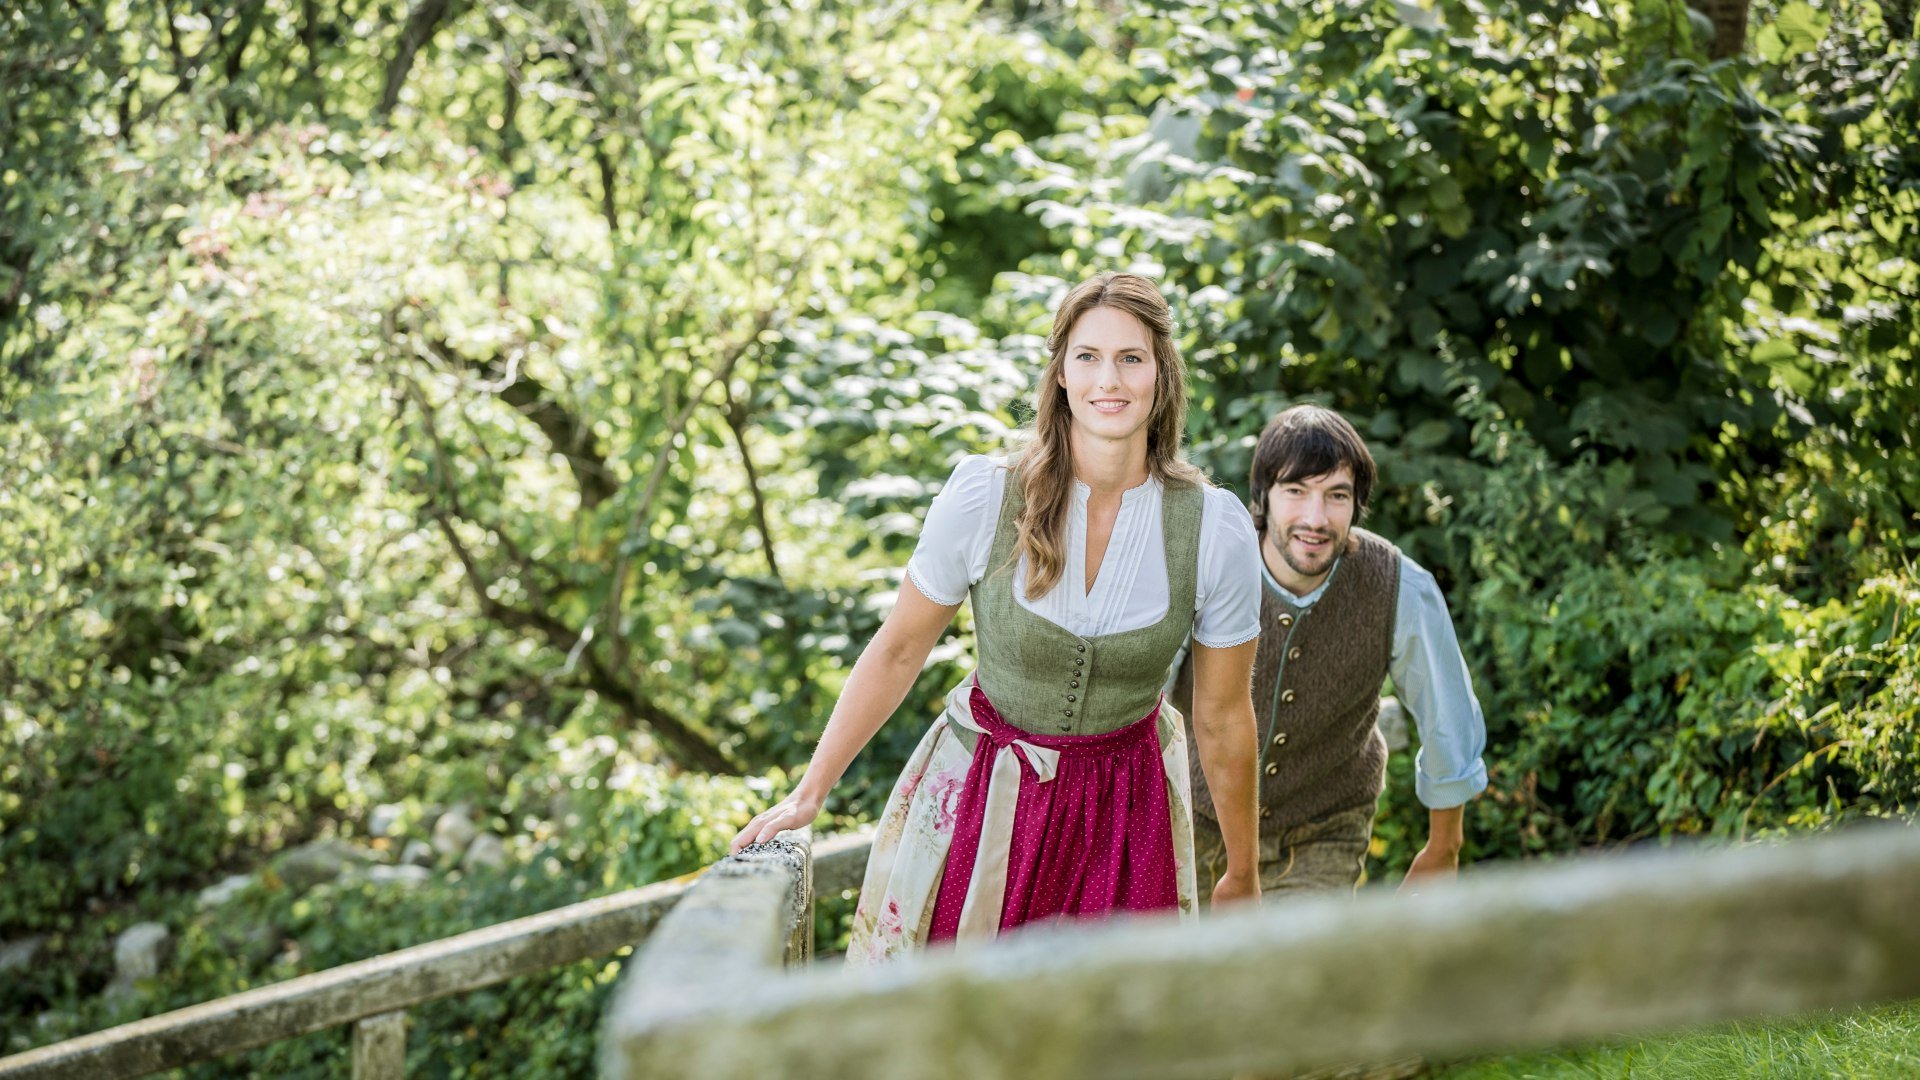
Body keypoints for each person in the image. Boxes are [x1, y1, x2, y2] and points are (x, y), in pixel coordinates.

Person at [732, 272, 1265, 963]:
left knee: (1110, 1013)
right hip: (984, 800)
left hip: (1126, 814)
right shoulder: (986, 495)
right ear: (1062, 374)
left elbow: (1223, 715)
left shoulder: (1212, 528)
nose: (1109, 379)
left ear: (1161, 374)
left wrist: (1243, 871)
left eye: (1131, 358)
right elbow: (899, 648)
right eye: (1088, 356)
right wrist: (810, 792)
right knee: (956, 1005)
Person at [1173, 404, 1488, 900]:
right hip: (1192, 818)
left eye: (1336, 495)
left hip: (1323, 830)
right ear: (1264, 496)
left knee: (1299, 953)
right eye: (1296, 491)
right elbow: (1145, 696)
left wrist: (1443, 847)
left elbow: (1447, 714)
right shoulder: (1208, 566)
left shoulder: (1400, 587)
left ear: (1357, 503)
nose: (1315, 518)